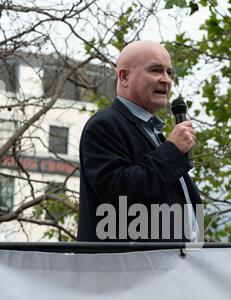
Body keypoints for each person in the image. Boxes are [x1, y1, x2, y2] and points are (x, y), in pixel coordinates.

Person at [77, 40, 201, 244]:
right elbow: (119, 195)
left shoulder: (153, 133)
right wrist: (171, 150)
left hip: (175, 268)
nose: (166, 80)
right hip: (129, 270)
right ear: (124, 77)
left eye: (170, 73)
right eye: (155, 70)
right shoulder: (104, 125)